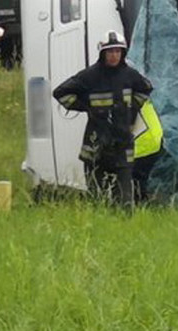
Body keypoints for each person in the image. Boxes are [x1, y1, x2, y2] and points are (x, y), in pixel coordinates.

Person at [54, 30, 153, 205]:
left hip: (122, 143)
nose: (114, 55)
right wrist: (85, 107)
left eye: (118, 51)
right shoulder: (89, 76)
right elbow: (60, 92)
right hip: (95, 144)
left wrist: (132, 110)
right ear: (102, 53)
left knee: (124, 201)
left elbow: (145, 89)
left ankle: (123, 227)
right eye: (110, 52)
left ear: (123, 53)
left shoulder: (130, 75)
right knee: (97, 199)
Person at [131, 100, 165, 202]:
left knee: (134, 185)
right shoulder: (139, 89)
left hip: (141, 142)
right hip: (151, 137)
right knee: (138, 184)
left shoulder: (125, 90)